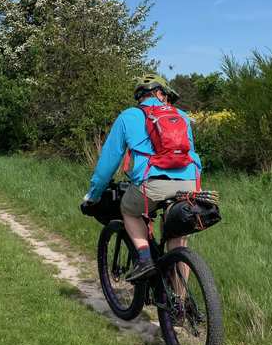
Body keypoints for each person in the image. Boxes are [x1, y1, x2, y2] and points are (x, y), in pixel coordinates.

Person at [82, 74, 202, 280]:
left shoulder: (128, 116)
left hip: (152, 185)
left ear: (141, 96)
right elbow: (190, 153)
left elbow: (107, 164)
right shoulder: (181, 115)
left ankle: (145, 259)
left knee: (128, 209)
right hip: (189, 183)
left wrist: (93, 195)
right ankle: (180, 304)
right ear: (161, 94)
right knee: (177, 236)